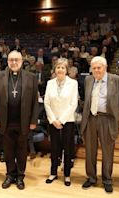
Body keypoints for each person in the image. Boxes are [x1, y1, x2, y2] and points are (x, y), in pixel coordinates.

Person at [0, 50, 39, 190]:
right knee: (8, 151)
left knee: (21, 150)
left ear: (21, 61)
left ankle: (20, 176)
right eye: (11, 60)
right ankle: (9, 175)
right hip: (6, 121)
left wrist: (33, 121)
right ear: (7, 61)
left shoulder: (31, 77)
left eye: (16, 60)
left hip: (23, 121)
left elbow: (34, 102)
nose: (14, 62)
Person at [80, 56, 119, 193]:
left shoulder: (116, 80)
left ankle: (107, 179)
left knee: (107, 151)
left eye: (99, 67)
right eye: (94, 68)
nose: (96, 70)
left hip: (107, 119)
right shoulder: (88, 80)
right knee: (90, 151)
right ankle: (91, 178)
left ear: (105, 68)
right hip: (91, 119)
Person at [43, 58, 78, 187]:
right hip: (53, 122)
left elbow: (73, 104)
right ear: (55, 69)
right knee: (54, 148)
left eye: (63, 67)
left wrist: (61, 120)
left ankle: (67, 175)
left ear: (66, 70)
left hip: (67, 121)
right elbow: (46, 102)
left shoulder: (73, 84)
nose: (60, 70)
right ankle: (53, 173)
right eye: (58, 67)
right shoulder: (50, 83)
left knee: (68, 149)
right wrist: (53, 120)